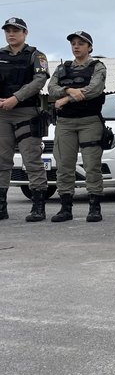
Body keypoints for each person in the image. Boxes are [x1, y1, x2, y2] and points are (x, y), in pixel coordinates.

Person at [47, 31, 107, 223]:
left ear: (90, 47)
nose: (76, 46)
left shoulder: (97, 66)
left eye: (81, 43)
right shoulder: (62, 68)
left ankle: (94, 208)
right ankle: (66, 208)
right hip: (65, 123)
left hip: (89, 121)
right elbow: (51, 88)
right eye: (73, 43)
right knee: (64, 166)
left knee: (92, 166)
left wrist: (65, 98)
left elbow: (94, 89)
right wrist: (68, 90)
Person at [0, 17, 49, 222]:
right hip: (2, 112)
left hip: (26, 112)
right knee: (2, 160)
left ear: (25, 33)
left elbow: (39, 80)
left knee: (31, 160)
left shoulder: (36, 55)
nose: (11, 34)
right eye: (8, 31)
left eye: (16, 31)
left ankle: (38, 205)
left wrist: (16, 98)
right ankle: (1, 205)